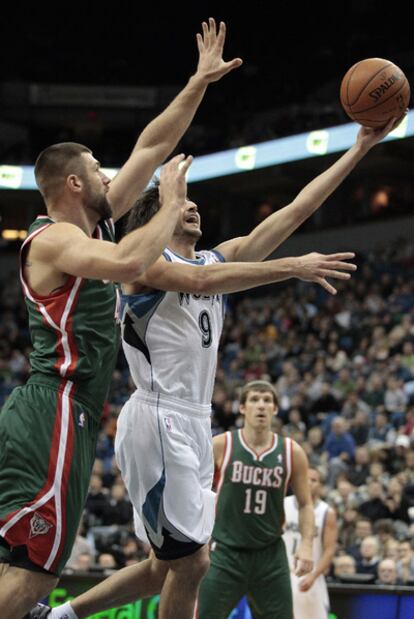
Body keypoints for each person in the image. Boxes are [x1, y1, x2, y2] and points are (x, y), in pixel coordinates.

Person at [35, 114, 401, 619]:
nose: (192, 208)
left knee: (165, 566)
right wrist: (292, 267)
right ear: (157, 215)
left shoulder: (215, 259)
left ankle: (58, 616)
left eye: (193, 203)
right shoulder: (144, 269)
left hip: (192, 420)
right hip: (159, 416)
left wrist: (359, 148)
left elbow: (295, 211)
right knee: (193, 563)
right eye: (182, 202)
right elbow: (204, 285)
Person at [0, 17, 243, 619]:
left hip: (70, 411)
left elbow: (152, 147)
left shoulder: (93, 224)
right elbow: (134, 257)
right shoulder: (55, 239)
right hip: (54, 405)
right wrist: (169, 201)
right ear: (77, 182)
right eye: (101, 173)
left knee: (28, 568)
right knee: (32, 576)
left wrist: (198, 82)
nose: (114, 179)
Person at [196, 380, 314, 618]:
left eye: (267, 400)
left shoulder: (292, 452)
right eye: (254, 400)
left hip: (270, 553)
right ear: (242, 408)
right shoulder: (221, 445)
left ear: (275, 409)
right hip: (225, 551)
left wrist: (306, 545)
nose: (261, 405)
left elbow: (305, 503)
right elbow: (195, 493)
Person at [283, 467, 338, 619]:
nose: (309, 482)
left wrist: (314, 575)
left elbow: (329, 550)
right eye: (305, 478)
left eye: (314, 480)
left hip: (310, 575)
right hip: (283, 572)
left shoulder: (327, 512)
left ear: (320, 485)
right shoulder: (283, 504)